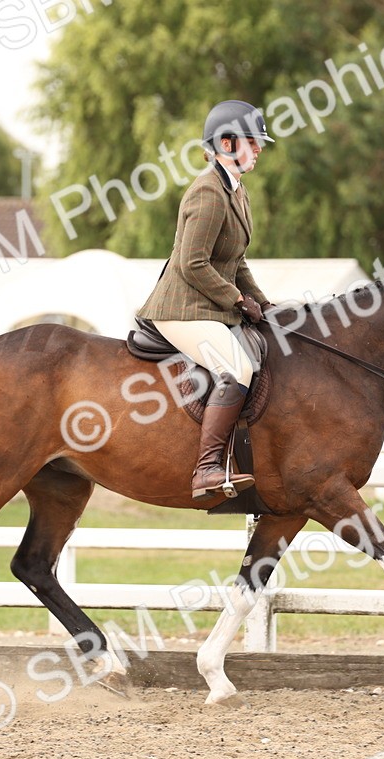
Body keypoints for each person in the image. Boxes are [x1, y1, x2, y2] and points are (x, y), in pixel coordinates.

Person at [138, 100, 276, 499]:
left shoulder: (237, 190)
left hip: (206, 305)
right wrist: (237, 299)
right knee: (237, 369)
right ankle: (207, 469)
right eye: (253, 142)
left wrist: (264, 305)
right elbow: (192, 263)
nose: (260, 149)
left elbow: (235, 261)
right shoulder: (207, 192)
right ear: (228, 143)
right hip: (179, 309)